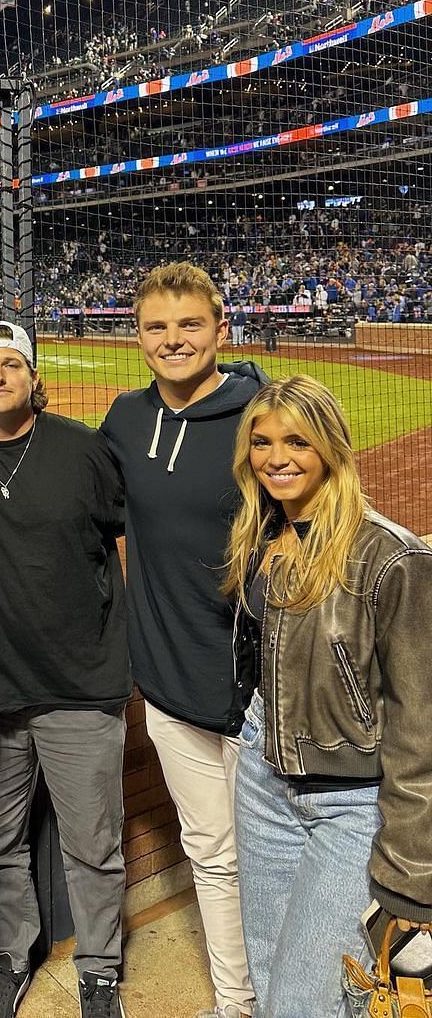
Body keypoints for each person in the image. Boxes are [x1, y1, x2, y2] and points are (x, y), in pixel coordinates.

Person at [0, 321, 130, 1018]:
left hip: (82, 684)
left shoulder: (83, 450)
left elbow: (125, 538)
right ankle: (12, 952)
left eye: (11, 364)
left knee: (93, 844)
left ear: (32, 378)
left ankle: (100, 967)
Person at [224, 375, 432, 1018]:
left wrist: (411, 873)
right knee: (265, 964)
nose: (276, 457)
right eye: (261, 442)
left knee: (307, 999)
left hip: (350, 797)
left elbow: (419, 723)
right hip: (263, 775)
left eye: (297, 441)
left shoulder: (391, 557)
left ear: (332, 448)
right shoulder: (261, 535)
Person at [101, 262, 267, 1018]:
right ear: (138, 338)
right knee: (212, 854)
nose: (174, 340)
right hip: (169, 682)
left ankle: (312, 984)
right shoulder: (127, 420)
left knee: (288, 849)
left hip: (263, 683)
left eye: (189, 324)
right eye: (157, 327)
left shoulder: (260, 415)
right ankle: (237, 1002)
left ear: (220, 330)